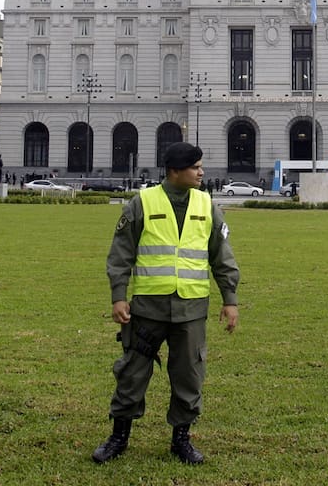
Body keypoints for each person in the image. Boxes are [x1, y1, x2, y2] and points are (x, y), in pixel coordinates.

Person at [92, 142, 240, 466]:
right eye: (195, 167)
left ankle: (181, 440)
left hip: (191, 310)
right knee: (132, 374)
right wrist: (118, 296)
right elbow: (120, 255)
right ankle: (119, 437)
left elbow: (222, 257)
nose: (202, 172)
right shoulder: (141, 203)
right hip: (147, 308)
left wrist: (230, 300)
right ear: (174, 171)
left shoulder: (207, 205)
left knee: (189, 375)